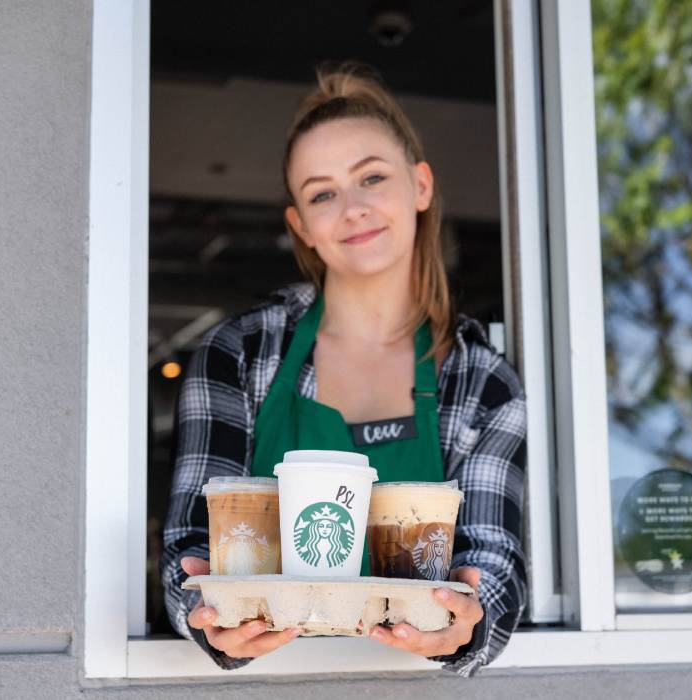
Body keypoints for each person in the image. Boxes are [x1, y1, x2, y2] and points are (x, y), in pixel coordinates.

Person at [160, 64, 527, 677]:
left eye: (372, 178)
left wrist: (465, 625)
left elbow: (493, 566)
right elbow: (192, 552)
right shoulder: (240, 355)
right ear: (300, 224)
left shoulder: (480, 381)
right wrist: (208, 620)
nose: (353, 208)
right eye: (322, 192)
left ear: (420, 185)